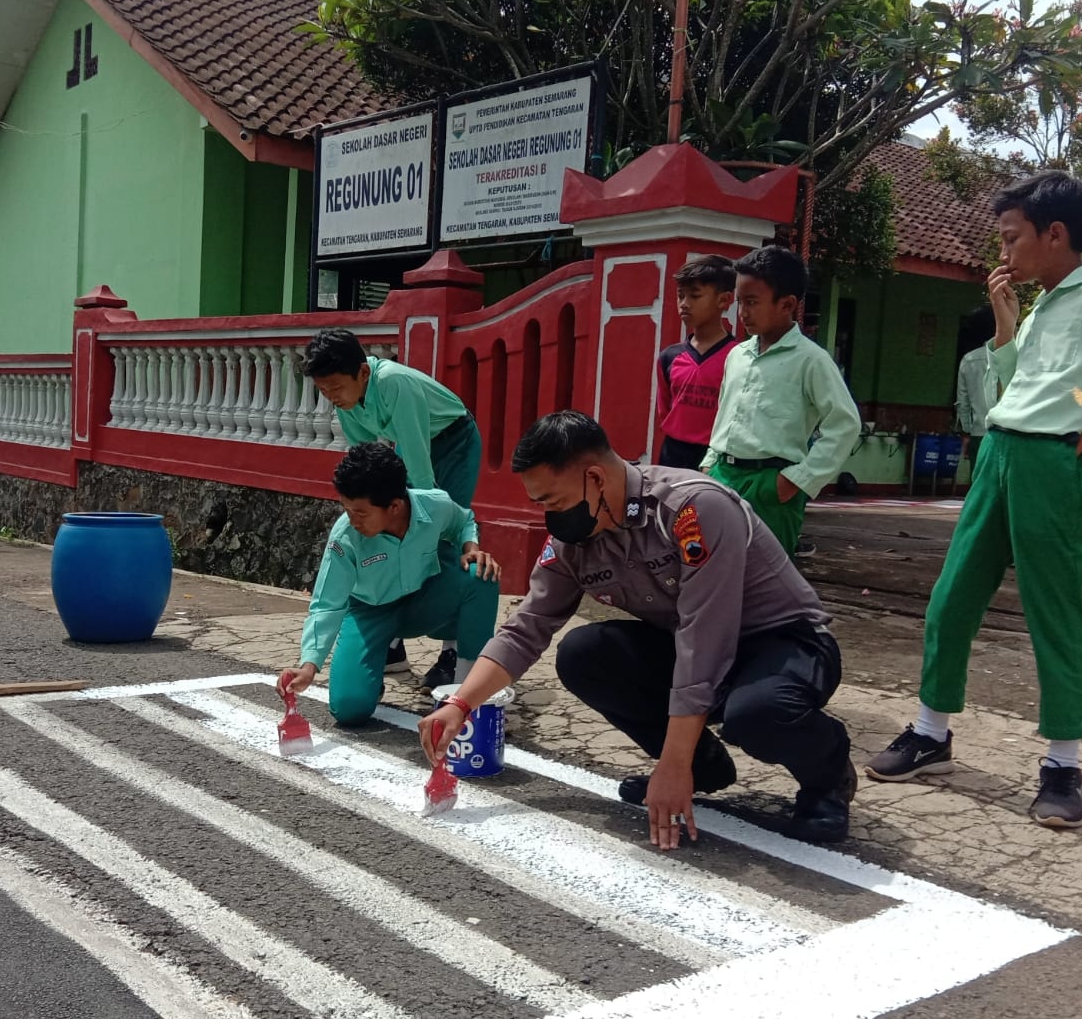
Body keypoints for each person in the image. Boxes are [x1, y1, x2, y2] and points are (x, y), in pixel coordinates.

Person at [866, 170, 1082, 828]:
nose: (1004, 254)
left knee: (1054, 612)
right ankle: (931, 732)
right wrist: (1009, 323)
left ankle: (1063, 766)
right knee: (952, 598)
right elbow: (1015, 387)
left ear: (1056, 234)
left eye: (1013, 239)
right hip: (1002, 452)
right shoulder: (1042, 304)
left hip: (1055, 463)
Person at [419, 411, 856, 846]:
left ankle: (828, 779)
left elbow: (705, 638)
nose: (550, 517)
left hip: (783, 643)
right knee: (585, 653)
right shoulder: (575, 539)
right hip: (690, 643)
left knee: (758, 711)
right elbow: (526, 628)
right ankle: (703, 766)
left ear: (594, 477)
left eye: (552, 501)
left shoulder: (691, 509)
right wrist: (460, 704)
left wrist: (671, 763)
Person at [303, 329, 484, 688]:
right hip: (413, 442)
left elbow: (421, 478)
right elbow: (367, 463)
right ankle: (392, 639)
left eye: (336, 388)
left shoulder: (395, 384)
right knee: (385, 524)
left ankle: (452, 649)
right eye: (324, 391)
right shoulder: (347, 403)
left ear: (363, 374)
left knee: (444, 539)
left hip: (453, 439)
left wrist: (419, 522)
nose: (332, 398)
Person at [279, 442, 501, 725]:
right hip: (371, 612)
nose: (352, 520)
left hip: (424, 600)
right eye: (346, 509)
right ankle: (374, 661)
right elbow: (327, 604)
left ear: (395, 506)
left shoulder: (435, 505)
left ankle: (468, 689)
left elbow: (464, 520)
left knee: (481, 575)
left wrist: (471, 547)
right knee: (349, 709)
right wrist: (309, 665)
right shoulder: (345, 536)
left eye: (360, 513)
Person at [699, 245, 861, 557]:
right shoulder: (737, 355)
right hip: (722, 475)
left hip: (772, 484)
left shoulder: (811, 360)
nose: (742, 312)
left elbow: (845, 424)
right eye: (740, 302)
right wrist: (709, 465)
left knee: (765, 578)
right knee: (711, 566)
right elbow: (725, 414)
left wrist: (797, 481)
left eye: (752, 302)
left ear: (787, 304)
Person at [655, 255, 738, 470]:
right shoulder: (669, 357)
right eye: (680, 296)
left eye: (695, 296)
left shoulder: (738, 358)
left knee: (701, 506)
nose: (684, 304)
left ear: (724, 300)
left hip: (717, 460)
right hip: (673, 456)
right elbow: (665, 410)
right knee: (675, 505)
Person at [954, 307, 1000, 479]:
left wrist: (966, 432)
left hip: (979, 433)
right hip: (1006, 432)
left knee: (978, 485)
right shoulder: (1013, 356)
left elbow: (963, 402)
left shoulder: (968, 360)